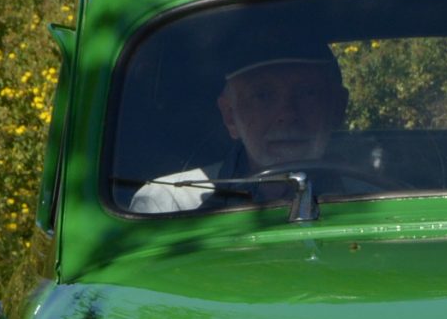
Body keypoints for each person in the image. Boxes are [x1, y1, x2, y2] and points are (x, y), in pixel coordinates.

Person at [125, 39, 350, 214]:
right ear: (230, 116)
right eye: (263, 95)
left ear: (336, 108)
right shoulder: (171, 204)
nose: (287, 114)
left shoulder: (368, 193)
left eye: (307, 93)